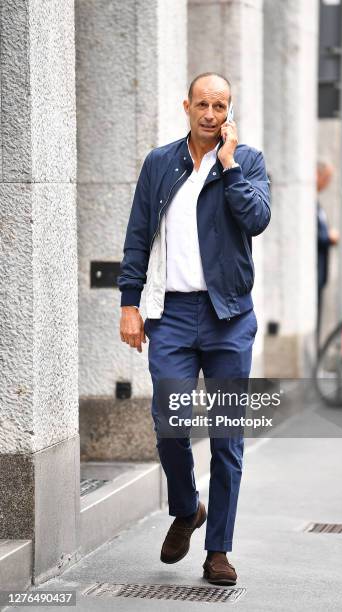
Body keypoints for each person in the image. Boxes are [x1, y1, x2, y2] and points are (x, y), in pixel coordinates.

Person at [117, 72, 271, 585]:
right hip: (173, 315)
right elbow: (139, 235)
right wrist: (129, 303)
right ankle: (187, 507)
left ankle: (218, 551)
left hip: (229, 317)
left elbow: (256, 219)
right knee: (168, 418)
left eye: (220, 105)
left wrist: (227, 166)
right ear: (187, 106)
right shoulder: (161, 163)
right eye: (202, 104)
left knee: (228, 438)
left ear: (230, 108)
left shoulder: (246, 161)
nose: (211, 113)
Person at [316, 161, 342, 346]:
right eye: (327, 178)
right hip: (314, 272)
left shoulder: (317, 204)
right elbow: (317, 235)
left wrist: (339, 236)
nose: (328, 183)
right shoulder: (310, 203)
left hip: (320, 272)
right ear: (317, 175)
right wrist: (331, 237)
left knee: (318, 316)